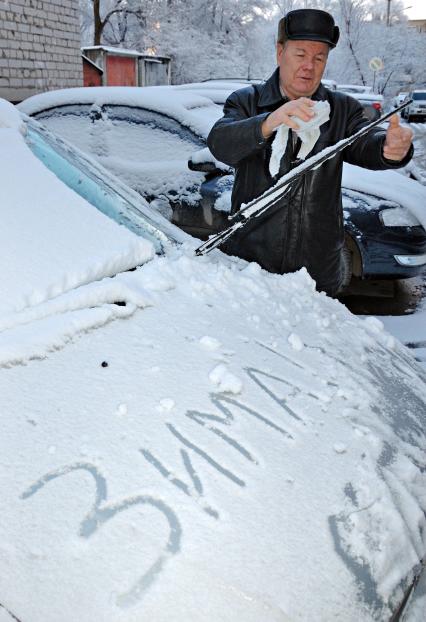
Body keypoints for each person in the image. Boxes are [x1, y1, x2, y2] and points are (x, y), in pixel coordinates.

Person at [207, 9, 413, 296]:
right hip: (252, 268)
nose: (309, 66)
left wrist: (390, 148)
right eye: (300, 55)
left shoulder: (341, 110)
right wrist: (269, 121)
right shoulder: (247, 101)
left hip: (317, 272)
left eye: (319, 58)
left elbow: (366, 142)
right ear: (280, 52)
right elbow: (221, 144)